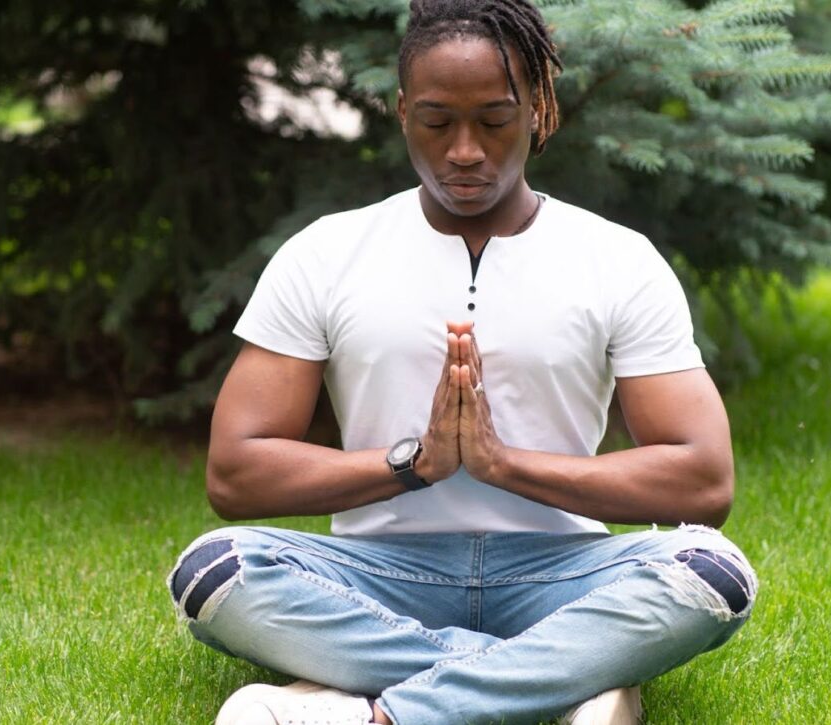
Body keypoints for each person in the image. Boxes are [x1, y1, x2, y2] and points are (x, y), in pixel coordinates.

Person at [167, 1, 757, 723]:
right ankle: (567, 679)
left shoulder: (617, 259)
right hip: (378, 574)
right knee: (214, 568)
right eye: (438, 122)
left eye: (496, 120)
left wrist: (506, 465)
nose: (466, 150)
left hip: (562, 570)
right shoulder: (326, 252)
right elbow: (235, 470)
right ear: (402, 110)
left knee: (711, 571)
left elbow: (704, 478)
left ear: (541, 109)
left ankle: (368, 710)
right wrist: (412, 462)